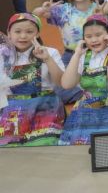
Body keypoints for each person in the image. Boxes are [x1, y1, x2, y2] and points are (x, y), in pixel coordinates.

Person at [59, 15, 108, 145]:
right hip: (88, 106)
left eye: (98, 35)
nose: (94, 40)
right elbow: (67, 84)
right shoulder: (84, 56)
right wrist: (76, 55)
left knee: (106, 141)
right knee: (76, 140)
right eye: (88, 36)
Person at [0, 13, 65, 146]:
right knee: (8, 146)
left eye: (29, 31)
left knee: (44, 142)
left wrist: (47, 59)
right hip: (13, 110)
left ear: (38, 33)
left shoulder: (50, 52)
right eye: (17, 31)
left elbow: (61, 82)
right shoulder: (3, 55)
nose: (23, 36)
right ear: (9, 33)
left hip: (45, 107)